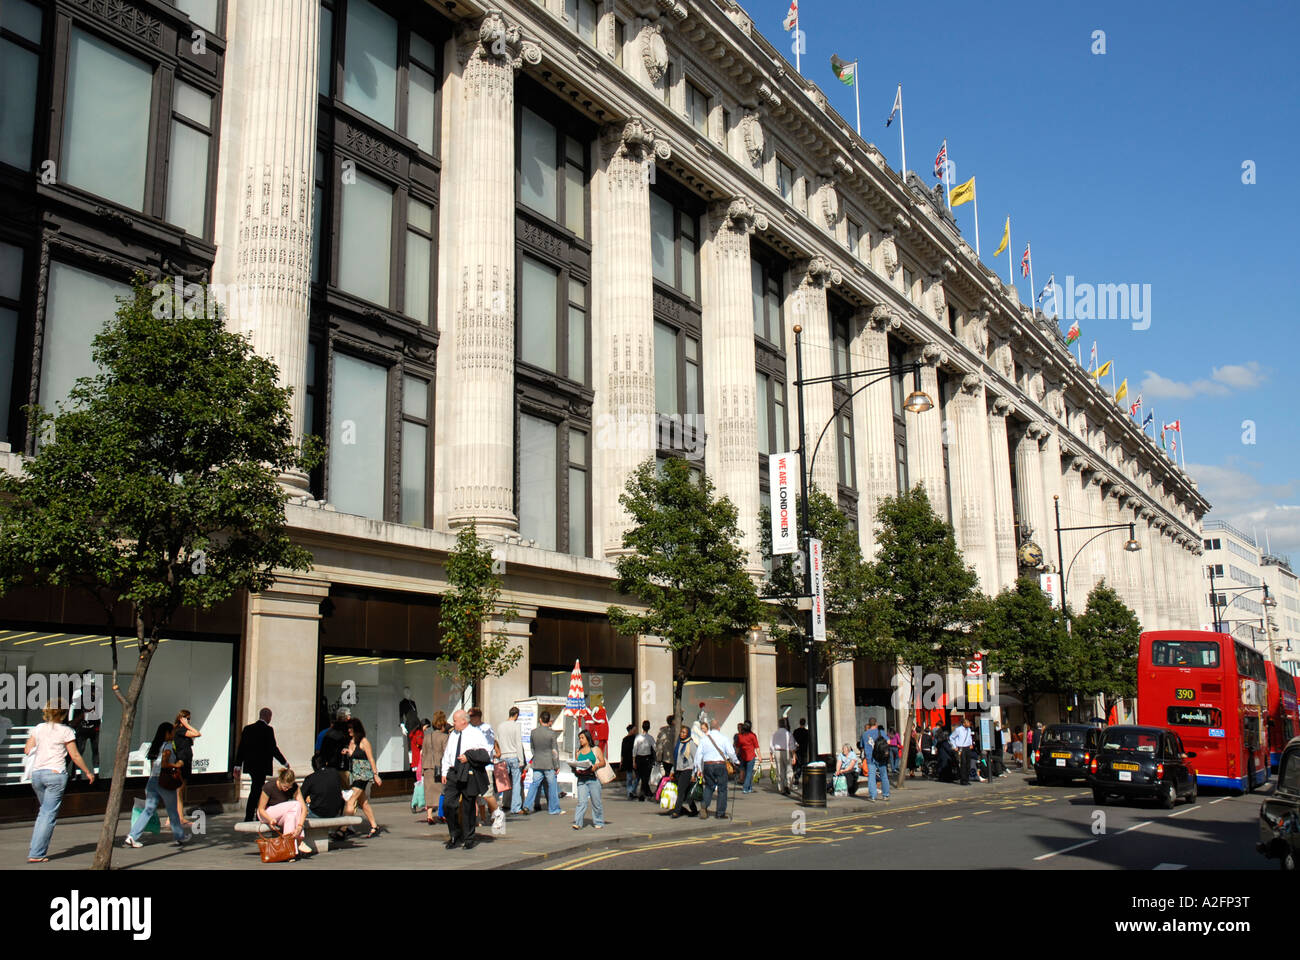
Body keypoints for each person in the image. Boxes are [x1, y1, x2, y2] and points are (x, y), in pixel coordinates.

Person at [25, 700, 94, 862]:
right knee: (48, 815)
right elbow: (75, 755)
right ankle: (36, 853)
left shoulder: (38, 728)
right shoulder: (66, 731)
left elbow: (27, 749)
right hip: (55, 774)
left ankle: (35, 850)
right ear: (63, 714)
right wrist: (87, 771)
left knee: (44, 813)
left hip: (37, 774)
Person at [123, 722, 188, 850]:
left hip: (152, 781)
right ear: (167, 733)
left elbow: (156, 765)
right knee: (172, 810)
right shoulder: (168, 747)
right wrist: (177, 765)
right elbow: (164, 765)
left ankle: (132, 836)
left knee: (148, 810)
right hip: (164, 782)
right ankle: (179, 836)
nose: (173, 734)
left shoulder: (156, 746)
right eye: (172, 732)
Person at [441, 708, 492, 850]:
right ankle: (455, 833)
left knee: (469, 806)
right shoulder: (453, 735)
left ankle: (469, 837)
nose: (453, 723)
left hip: (468, 772)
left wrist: (468, 756)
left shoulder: (476, 734)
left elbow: (485, 753)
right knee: (448, 804)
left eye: (455, 721)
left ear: (464, 721)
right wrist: (444, 771)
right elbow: (448, 753)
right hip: (453, 772)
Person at [234, 707, 287, 822]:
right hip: (262, 766)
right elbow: (273, 749)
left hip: (251, 765)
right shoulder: (268, 730)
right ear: (268, 716)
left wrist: (237, 765)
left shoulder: (247, 729)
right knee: (257, 789)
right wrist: (284, 762)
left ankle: (253, 814)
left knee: (256, 788)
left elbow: (241, 748)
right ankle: (254, 815)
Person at [255, 767, 311, 856]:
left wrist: (299, 826)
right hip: (266, 813)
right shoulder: (269, 787)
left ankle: (290, 852)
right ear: (280, 780)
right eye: (285, 786)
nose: (287, 789)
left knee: (291, 816)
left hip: (280, 815)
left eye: (289, 787)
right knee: (296, 804)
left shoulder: (294, 787)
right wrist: (270, 819)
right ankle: (299, 841)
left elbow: (304, 809)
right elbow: (261, 809)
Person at [344, 717, 383, 837]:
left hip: (363, 775)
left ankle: (343, 827)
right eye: (348, 728)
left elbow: (371, 758)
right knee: (363, 802)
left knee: (351, 800)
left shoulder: (364, 741)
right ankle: (374, 826)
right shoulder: (352, 742)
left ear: (357, 729)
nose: (349, 730)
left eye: (351, 728)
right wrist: (348, 752)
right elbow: (354, 756)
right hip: (355, 775)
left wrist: (376, 775)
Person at [694, 719, 738, 820]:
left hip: (708, 765)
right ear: (718, 728)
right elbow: (731, 752)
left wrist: (699, 768)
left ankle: (704, 806)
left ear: (710, 728)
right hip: (720, 765)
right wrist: (736, 761)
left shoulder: (704, 739)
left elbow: (698, 755)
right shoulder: (724, 738)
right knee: (722, 789)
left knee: (709, 786)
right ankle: (720, 813)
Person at [468, 708, 502, 832]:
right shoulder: (469, 729)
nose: (469, 719)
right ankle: (477, 819)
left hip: (485, 766)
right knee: (473, 795)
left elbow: (488, 747)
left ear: (477, 717)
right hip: (472, 765)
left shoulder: (486, 728)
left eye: (471, 716)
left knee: (487, 794)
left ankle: (497, 816)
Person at [524, 710, 562, 814]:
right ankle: (553, 808)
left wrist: (536, 755)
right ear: (548, 720)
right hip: (549, 763)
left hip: (537, 762)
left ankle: (527, 805)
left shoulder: (533, 732)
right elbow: (555, 751)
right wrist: (557, 765)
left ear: (540, 720)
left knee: (534, 784)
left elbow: (532, 748)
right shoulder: (551, 733)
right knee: (552, 786)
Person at [571, 729, 606, 830]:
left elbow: (603, 762)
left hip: (593, 779)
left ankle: (598, 821)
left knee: (596, 802)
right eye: (579, 738)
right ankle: (578, 822)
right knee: (582, 802)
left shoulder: (595, 749)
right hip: (582, 779)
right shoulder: (578, 752)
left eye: (582, 738)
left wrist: (596, 765)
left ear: (587, 738)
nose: (581, 740)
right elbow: (577, 764)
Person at [173, 709, 201, 827]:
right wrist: (186, 724)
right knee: (178, 790)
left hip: (186, 761)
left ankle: (178, 817)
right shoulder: (180, 730)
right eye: (187, 718)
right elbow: (197, 733)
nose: (189, 720)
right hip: (182, 762)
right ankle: (175, 817)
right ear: (181, 719)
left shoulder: (182, 730)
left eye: (189, 719)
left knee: (180, 791)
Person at [497, 707, 526, 815]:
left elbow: (498, 740)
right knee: (516, 782)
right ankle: (516, 807)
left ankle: (505, 803)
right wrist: (521, 760)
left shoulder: (500, 726)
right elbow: (518, 743)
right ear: (516, 715)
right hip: (514, 755)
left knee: (505, 782)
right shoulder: (516, 726)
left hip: (503, 756)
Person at [422, 712, 449, 824]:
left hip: (427, 765)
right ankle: (441, 814)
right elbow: (446, 753)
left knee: (428, 790)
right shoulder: (445, 737)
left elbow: (424, 752)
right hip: (440, 766)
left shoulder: (427, 737)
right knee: (441, 790)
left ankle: (429, 815)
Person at [670, 723, 699, 818]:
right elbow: (676, 758)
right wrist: (672, 771)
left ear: (688, 734)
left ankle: (676, 811)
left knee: (680, 791)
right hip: (678, 770)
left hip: (687, 770)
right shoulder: (679, 743)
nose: (682, 734)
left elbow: (696, 759)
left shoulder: (691, 744)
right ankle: (694, 809)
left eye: (684, 732)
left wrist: (694, 774)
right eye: (681, 732)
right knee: (686, 792)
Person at [302, 754, 344, 819]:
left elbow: (301, 797)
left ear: (313, 766)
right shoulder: (335, 773)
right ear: (326, 763)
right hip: (335, 812)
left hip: (317, 813)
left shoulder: (310, 778)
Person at [862, 719, 891, 801]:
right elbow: (889, 742)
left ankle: (873, 796)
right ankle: (885, 795)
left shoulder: (865, 734)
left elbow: (862, 745)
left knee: (871, 776)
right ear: (876, 724)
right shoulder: (880, 732)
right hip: (880, 757)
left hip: (870, 757)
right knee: (884, 776)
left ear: (869, 724)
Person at [771, 718, 795, 795]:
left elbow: (771, 745)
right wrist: (794, 755)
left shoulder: (775, 733)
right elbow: (792, 746)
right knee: (789, 769)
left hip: (777, 751)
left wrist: (771, 754)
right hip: (786, 751)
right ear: (785, 725)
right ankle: (788, 785)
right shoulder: (788, 733)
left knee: (779, 769)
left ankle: (781, 788)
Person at [633, 719, 656, 800]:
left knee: (642, 776)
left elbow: (635, 749)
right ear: (649, 727)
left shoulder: (638, 737)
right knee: (645, 777)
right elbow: (655, 747)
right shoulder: (650, 738)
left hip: (639, 758)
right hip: (647, 758)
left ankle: (644, 792)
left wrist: (634, 761)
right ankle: (644, 793)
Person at [736, 721, 760, 793]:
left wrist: (735, 756)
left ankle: (749, 787)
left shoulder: (740, 736)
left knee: (746, 771)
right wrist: (760, 756)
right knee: (749, 772)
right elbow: (757, 747)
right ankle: (746, 787)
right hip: (751, 756)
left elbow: (738, 747)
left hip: (743, 756)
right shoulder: (752, 736)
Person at [950, 716, 974, 785]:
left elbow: (969, 737)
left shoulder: (969, 730)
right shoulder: (958, 729)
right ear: (963, 723)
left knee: (968, 764)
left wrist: (971, 744)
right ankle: (963, 780)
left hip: (967, 747)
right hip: (961, 747)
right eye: (967, 723)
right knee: (963, 763)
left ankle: (967, 779)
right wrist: (955, 746)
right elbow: (951, 737)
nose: (969, 724)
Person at [655, 715, 677, 779]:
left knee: (667, 775)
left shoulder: (663, 730)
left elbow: (659, 745)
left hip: (666, 758)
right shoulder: (677, 730)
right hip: (674, 758)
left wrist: (659, 757)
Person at [620, 723, 638, 800]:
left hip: (633, 759)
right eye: (634, 730)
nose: (635, 731)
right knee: (630, 777)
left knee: (636, 776)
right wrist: (621, 761)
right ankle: (630, 792)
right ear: (630, 730)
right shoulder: (626, 739)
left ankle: (632, 791)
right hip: (628, 760)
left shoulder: (636, 738)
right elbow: (623, 751)